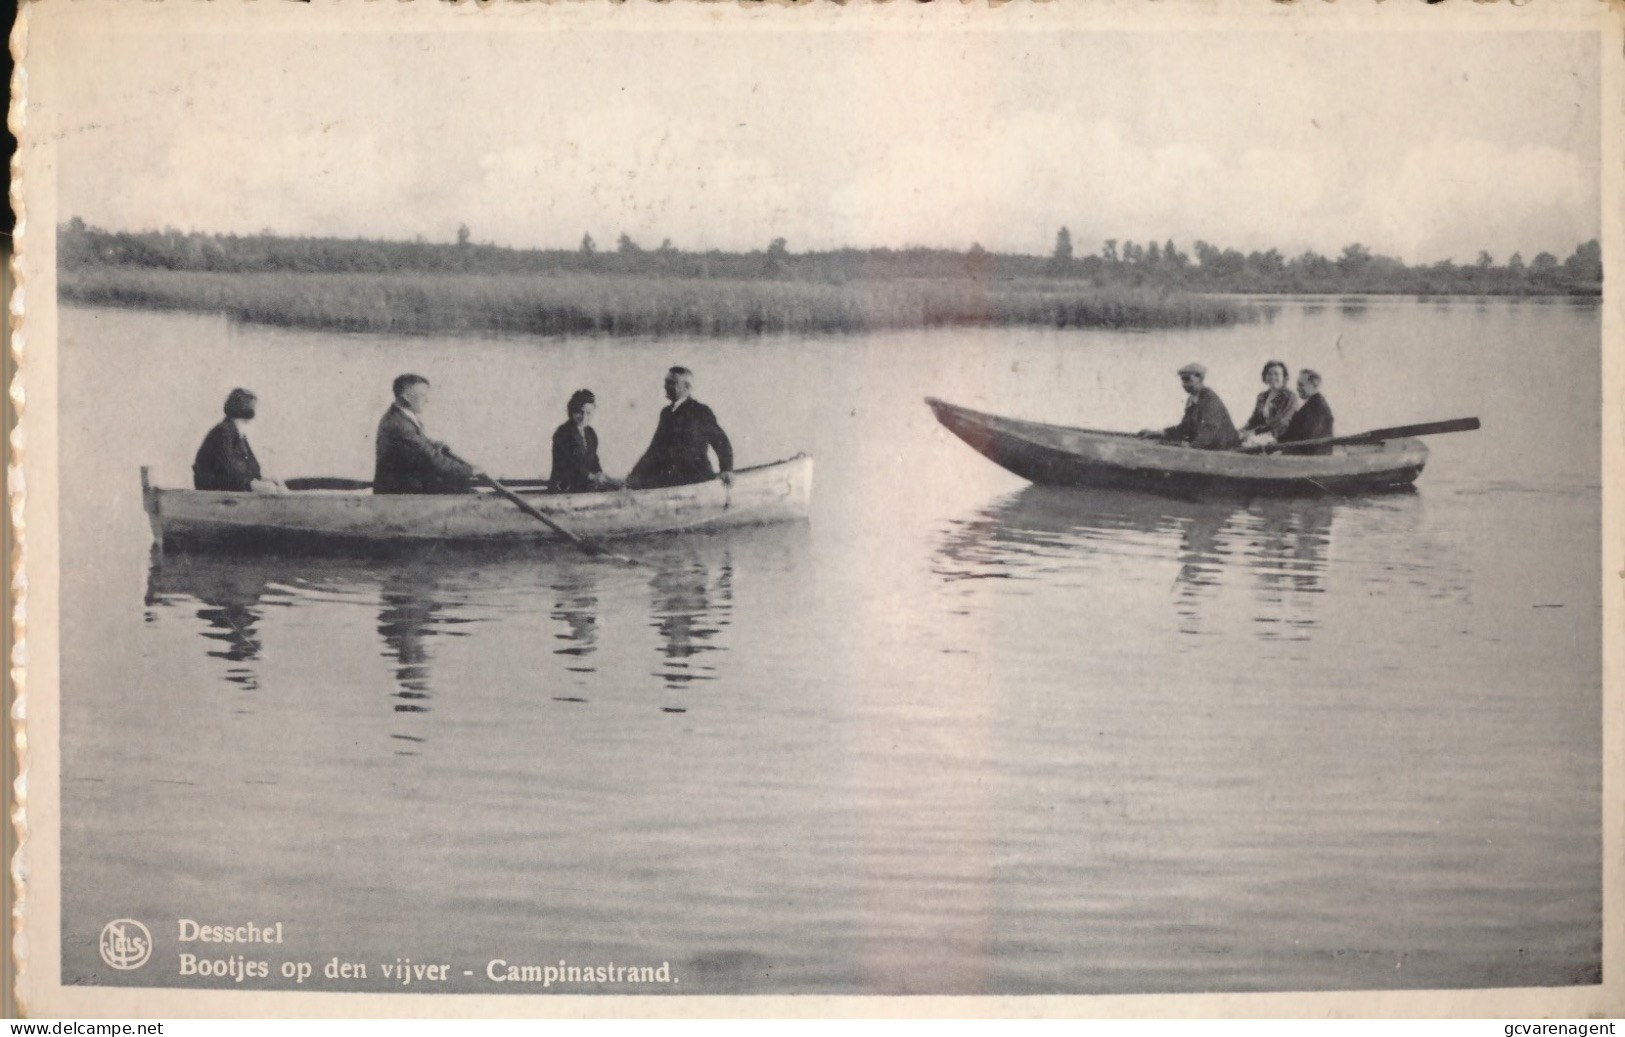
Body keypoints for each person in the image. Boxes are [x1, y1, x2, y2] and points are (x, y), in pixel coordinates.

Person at [373, 374, 485, 494]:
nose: (427, 400)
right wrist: (469, 471)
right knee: (471, 496)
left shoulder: (400, 418)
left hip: (407, 489)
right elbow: (430, 459)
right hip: (401, 496)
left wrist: (435, 445)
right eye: (422, 395)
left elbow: (418, 445)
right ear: (406, 396)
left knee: (469, 492)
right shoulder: (399, 424)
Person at [626, 366, 734, 489]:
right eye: (666, 382)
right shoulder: (666, 413)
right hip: (670, 481)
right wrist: (634, 476)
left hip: (696, 480)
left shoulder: (700, 411)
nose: (666, 386)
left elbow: (721, 441)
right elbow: (654, 450)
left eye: (672, 383)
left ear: (687, 387)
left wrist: (727, 469)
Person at [193, 388, 282, 492]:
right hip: (214, 486)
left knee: (274, 487)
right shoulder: (223, 431)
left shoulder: (237, 432)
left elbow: (251, 464)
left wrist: (260, 479)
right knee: (270, 490)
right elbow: (229, 466)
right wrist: (250, 484)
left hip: (232, 482)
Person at [1137, 362, 1240, 450]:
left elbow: (1210, 430)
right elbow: (1185, 427)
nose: (1184, 383)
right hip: (1209, 448)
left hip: (1225, 450)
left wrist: (1191, 446)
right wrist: (1161, 432)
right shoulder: (1193, 399)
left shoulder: (1210, 399)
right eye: (1182, 379)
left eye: (1187, 379)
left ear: (1199, 378)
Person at [550, 389, 619, 493]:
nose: (584, 417)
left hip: (585, 487)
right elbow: (569, 464)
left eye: (588, 413)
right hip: (564, 488)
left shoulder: (591, 433)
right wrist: (592, 476)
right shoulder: (562, 433)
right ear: (572, 411)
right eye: (580, 412)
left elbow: (594, 460)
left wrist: (600, 474)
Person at [1239, 359, 1297, 447]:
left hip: (1278, 435)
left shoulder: (1289, 396)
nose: (1273, 377)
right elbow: (1254, 419)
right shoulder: (1262, 396)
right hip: (1260, 434)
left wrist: (1255, 432)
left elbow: (1281, 421)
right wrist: (1243, 430)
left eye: (1276, 374)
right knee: (1236, 439)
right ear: (1265, 376)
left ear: (1284, 377)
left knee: (1246, 444)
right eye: (1269, 374)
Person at [1278, 369, 1334, 455]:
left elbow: (1307, 439)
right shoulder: (1310, 406)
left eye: (1301, 385)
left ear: (1314, 385)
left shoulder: (1318, 407)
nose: (1297, 388)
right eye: (1297, 385)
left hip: (1313, 462)